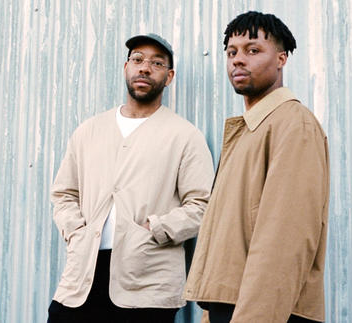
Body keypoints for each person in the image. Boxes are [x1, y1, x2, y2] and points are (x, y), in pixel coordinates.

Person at [48, 33, 214, 323]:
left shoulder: (185, 136)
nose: (145, 68)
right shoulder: (89, 131)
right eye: (137, 59)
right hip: (80, 281)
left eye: (157, 63)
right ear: (126, 67)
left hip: (146, 285)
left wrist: (157, 228)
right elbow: (64, 194)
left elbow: (203, 204)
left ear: (169, 76)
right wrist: (77, 231)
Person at [183, 11, 330, 323]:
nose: (238, 60)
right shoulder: (247, 131)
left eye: (253, 50)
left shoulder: (293, 124)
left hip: (266, 313)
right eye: (231, 52)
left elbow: (284, 242)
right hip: (234, 307)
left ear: (281, 59)